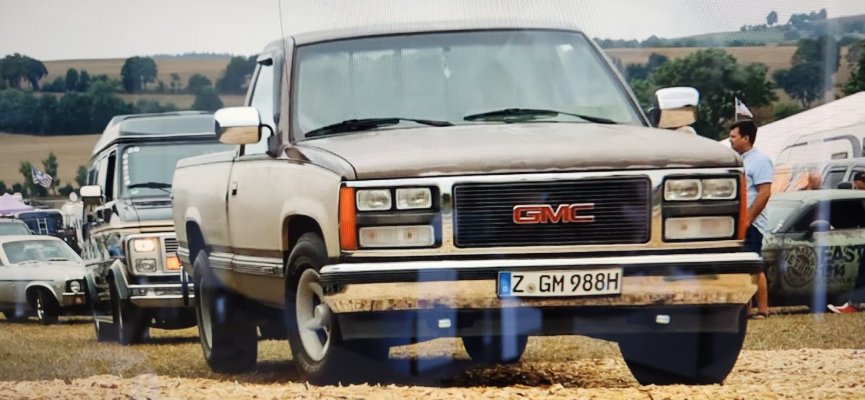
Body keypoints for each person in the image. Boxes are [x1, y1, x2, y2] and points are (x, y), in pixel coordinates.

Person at [729, 119, 773, 319]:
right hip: (738, 223)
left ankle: (763, 308)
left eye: (733, 136)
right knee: (741, 267)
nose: (730, 140)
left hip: (752, 223)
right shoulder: (738, 160)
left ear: (746, 138)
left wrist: (749, 219)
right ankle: (745, 309)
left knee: (754, 266)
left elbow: (764, 193)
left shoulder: (761, 160)